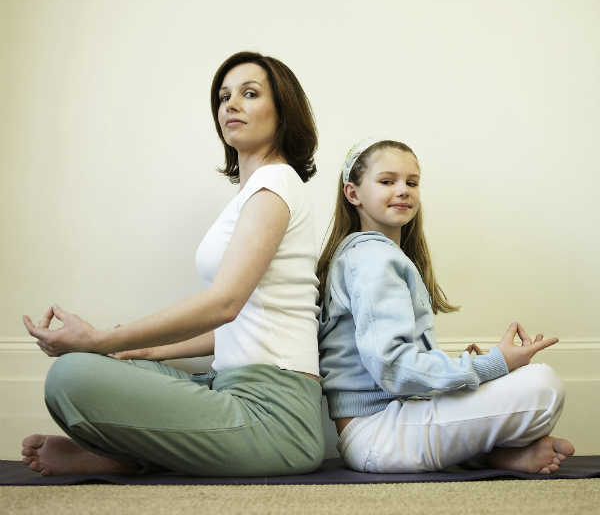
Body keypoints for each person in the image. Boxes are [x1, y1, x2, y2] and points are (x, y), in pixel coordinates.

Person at [21, 51, 325, 477]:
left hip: (275, 417)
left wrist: (99, 339)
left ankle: (126, 456)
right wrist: (145, 351)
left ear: (283, 110)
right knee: (121, 366)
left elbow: (224, 304)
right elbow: (240, 325)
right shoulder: (254, 192)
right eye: (223, 97)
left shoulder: (276, 182)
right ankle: (128, 455)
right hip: (229, 387)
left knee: (71, 376)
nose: (230, 105)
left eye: (249, 93)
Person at [317, 138, 574, 474]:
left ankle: (493, 456)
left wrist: (474, 371)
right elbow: (394, 368)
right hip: (378, 433)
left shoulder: (372, 256)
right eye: (387, 181)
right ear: (353, 194)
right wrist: (495, 364)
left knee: (521, 381)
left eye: (411, 182)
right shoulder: (371, 258)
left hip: (386, 427)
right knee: (544, 386)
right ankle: (494, 451)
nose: (403, 190)